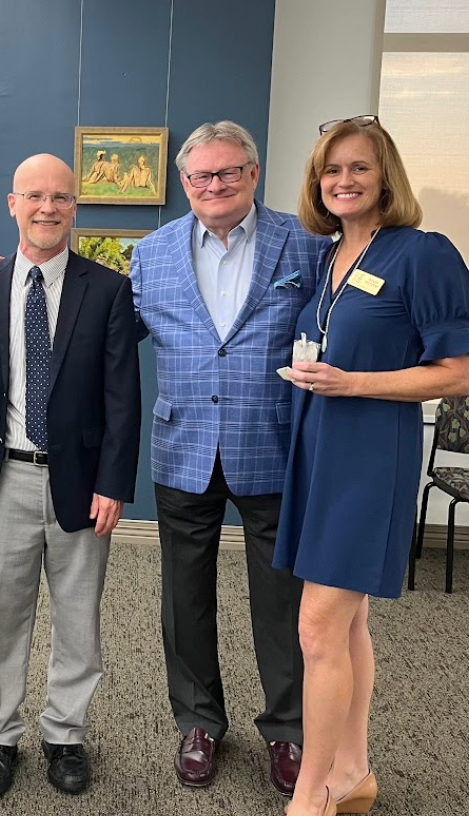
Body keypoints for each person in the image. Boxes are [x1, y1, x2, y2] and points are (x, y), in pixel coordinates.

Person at [274, 116, 469, 816]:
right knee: (348, 623)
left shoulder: (422, 254)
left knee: (317, 629)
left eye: (358, 168)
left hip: (368, 460)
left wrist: (353, 383)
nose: (343, 181)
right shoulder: (326, 255)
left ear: (385, 175)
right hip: (318, 451)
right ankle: (354, 770)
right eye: (332, 171)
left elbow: (456, 374)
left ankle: (311, 795)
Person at [129, 120, 324, 796]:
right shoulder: (150, 253)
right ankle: (198, 720)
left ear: (253, 172)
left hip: (272, 444)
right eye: (200, 176)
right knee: (185, 597)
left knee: (282, 598)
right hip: (183, 444)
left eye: (226, 172)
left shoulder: (305, 243)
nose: (213, 186)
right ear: (185, 183)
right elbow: (105, 330)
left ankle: (288, 729)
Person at [0, 153, 142, 797]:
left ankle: (66, 733)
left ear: (75, 207)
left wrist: (115, 483)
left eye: (61, 197)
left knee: (78, 618)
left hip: (82, 483)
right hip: (5, 479)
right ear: (12, 204)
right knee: (2, 618)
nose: (48, 208)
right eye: (34, 196)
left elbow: (123, 397)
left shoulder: (109, 289)